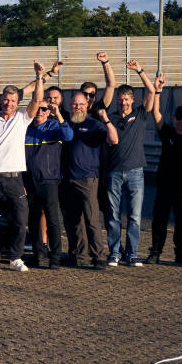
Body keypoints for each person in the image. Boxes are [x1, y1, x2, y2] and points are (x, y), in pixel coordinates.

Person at [0, 61, 45, 272]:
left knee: (20, 218)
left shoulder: (23, 119)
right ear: (1, 99)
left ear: (17, 102)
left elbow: (38, 99)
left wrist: (39, 76)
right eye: (6, 99)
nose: (9, 104)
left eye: (13, 100)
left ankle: (15, 257)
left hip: (15, 178)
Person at [103, 60, 157, 267]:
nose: (123, 103)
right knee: (113, 215)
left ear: (133, 100)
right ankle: (114, 253)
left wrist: (140, 71)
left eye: (126, 99)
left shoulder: (140, 115)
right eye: (120, 99)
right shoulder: (112, 118)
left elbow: (151, 92)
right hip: (114, 171)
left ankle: (132, 253)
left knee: (134, 216)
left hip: (135, 171)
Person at [148, 74, 182, 265]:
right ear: (174, 118)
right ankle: (155, 251)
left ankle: (181, 253)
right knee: (159, 220)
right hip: (164, 186)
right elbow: (156, 114)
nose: (181, 121)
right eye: (179, 118)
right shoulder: (167, 133)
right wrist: (158, 91)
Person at [62, 91, 118, 269]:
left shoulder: (94, 124)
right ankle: (80, 255)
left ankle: (99, 256)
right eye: (74, 104)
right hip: (69, 179)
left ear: (87, 105)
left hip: (88, 179)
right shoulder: (67, 124)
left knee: (92, 220)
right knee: (75, 221)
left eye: (80, 104)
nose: (77, 107)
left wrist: (106, 120)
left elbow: (114, 139)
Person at [23, 91, 74, 269]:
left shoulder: (54, 127)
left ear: (48, 111)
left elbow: (68, 136)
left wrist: (58, 113)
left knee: (53, 220)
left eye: (44, 109)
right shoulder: (26, 129)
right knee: (34, 220)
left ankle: (56, 257)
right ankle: (39, 255)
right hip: (30, 182)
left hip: (50, 181)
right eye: (37, 108)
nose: (40, 112)